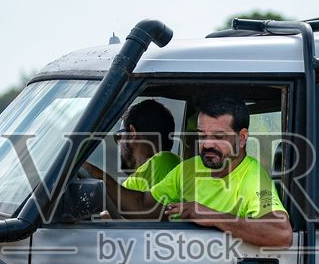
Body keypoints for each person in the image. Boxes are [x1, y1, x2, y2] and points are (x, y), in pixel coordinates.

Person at [119, 95, 292, 249]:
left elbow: (281, 234)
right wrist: (100, 180)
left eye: (218, 137)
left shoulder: (253, 177)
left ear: (242, 138)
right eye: (202, 135)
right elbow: (143, 205)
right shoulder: (189, 168)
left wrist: (212, 216)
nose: (207, 144)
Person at [84, 99, 181, 215]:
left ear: (132, 133)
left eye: (118, 136)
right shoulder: (170, 165)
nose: (118, 143)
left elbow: (144, 217)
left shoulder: (163, 161)